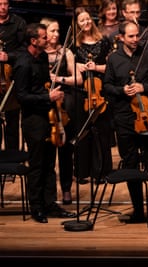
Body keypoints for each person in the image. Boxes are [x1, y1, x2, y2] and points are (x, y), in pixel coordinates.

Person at [103, 20, 148, 224]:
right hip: (125, 120)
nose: (136, 39)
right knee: (131, 165)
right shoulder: (114, 59)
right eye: (131, 36)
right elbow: (106, 86)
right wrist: (122, 90)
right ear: (120, 38)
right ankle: (138, 211)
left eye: (137, 35)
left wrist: (143, 87)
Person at [14, 23, 76, 223]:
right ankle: (37, 207)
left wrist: (51, 94)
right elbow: (22, 96)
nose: (47, 39)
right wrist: (47, 98)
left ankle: (50, 204)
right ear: (33, 41)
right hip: (34, 121)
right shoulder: (23, 64)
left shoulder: (41, 58)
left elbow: (42, 86)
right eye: (43, 37)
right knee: (37, 164)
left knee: (50, 163)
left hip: (48, 115)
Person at [41, 17, 83, 205]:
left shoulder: (66, 52)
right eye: (53, 31)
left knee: (66, 148)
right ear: (43, 33)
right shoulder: (37, 54)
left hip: (65, 103)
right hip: (43, 103)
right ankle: (47, 192)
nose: (57, 34)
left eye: (58, 31)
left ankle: (66, 188)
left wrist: (59, 79)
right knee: (45, 150)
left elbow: (79, 79)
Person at [74, 7, 114, 185]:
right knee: (84, 133)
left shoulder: (103, 41)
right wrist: (77, 66)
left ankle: (102, 171)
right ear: (77, 24)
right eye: (82, 20)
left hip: (100, 91)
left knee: (102, 132)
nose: (86, 23)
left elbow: (110, 67)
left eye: (88, 19)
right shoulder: (74, 45)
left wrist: (95, 68)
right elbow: (69, 65)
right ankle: (83, 171)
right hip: (82, 92)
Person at [0, 0, 26, 151]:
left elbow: (24, 50)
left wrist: (8, 56)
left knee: (12, 122)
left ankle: (12, 162)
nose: (3, 7)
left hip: (12, 79)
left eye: (5, 3)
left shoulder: (19, 23)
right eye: (0, 4)